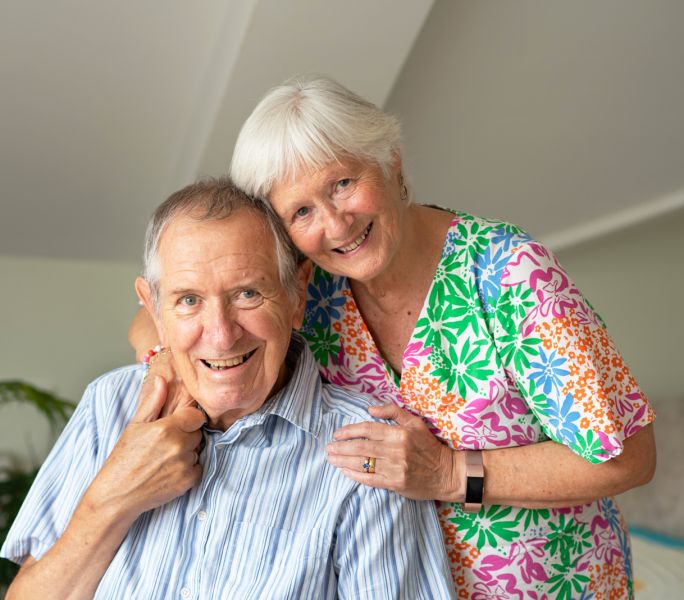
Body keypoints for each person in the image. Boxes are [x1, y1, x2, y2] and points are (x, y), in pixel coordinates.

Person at [130, 76, 656, 598]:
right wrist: (164, 363)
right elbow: (156, 313)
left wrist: (450, 473)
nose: (336, 225)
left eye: (342, 183)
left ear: (391, 161)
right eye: (302, 211)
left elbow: (629, 455)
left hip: (561, 584)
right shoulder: (308, 288)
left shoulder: (508, 272)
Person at [1, 178, 456, 599]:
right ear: (154, 309)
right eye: (189, 300)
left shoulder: (369, 450)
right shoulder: (109, 404)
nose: (220, 334)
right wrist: (111, 501)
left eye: (247, 294)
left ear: (297, 295)